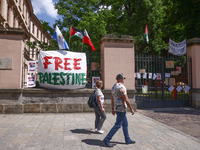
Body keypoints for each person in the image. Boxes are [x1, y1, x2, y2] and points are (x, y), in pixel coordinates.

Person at [103, 74, 135, 147]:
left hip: (117, 108)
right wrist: (131, 109)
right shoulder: (121, 87)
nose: (124, 80)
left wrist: (113, 108)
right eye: (123, 78)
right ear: (120, 79)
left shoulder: (114, 86)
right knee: (118, 125)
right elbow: (126, 99)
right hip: (122, 108)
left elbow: (112, 98)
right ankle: (107, 139)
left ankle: (127, 139)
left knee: (125, 124)